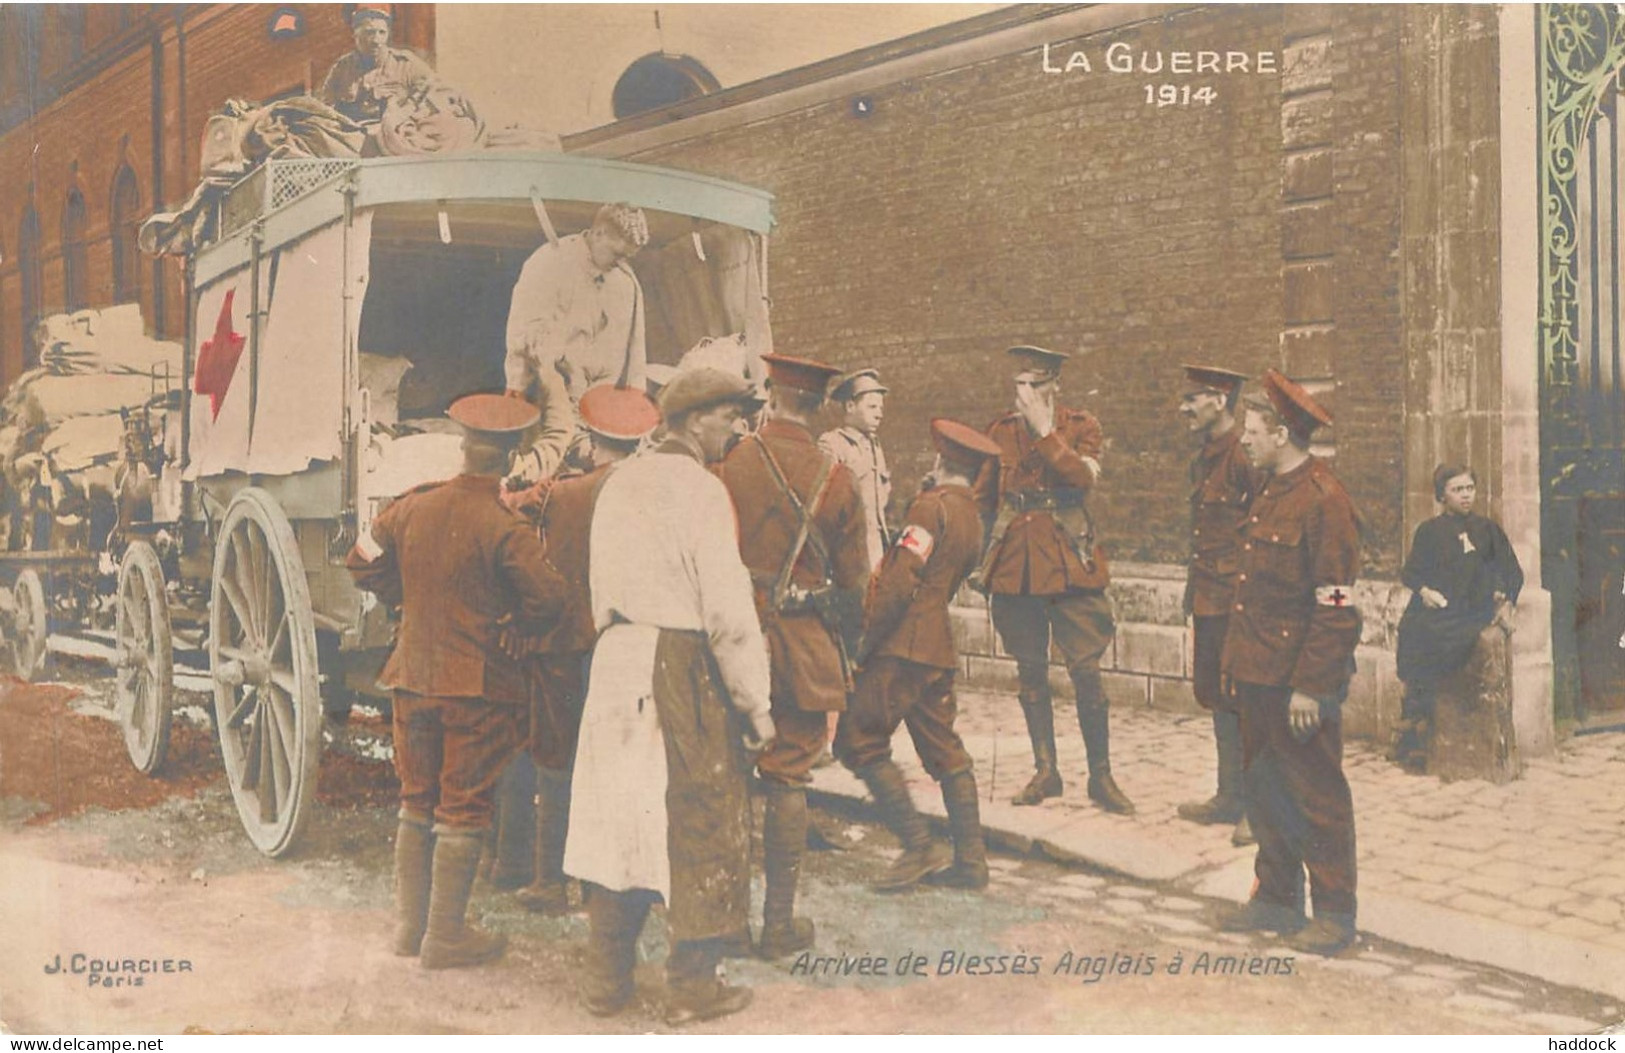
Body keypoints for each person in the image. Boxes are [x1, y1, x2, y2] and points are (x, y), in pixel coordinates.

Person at [563, 368, 773, 1025]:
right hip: (678, 661)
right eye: (726, 416)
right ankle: (691, 988)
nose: (736, 428)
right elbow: (728, 610)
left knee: (616, 815)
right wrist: (756, 703)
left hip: (617, 656)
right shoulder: (702, 490)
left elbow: (599, 580)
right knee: (702, 814)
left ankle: (606, 981)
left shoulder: (620, 481)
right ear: (689, 420)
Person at [346, 392, 567, 970]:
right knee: (463, 807)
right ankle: (445, 936)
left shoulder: (412, 506)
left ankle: (408, 929)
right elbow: (550, 601)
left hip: (410, 676)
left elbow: (360, 558)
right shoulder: (505, 527)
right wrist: (517, 622)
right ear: (511, 456)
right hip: (473, 688)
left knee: (416, 800)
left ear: (463, 449)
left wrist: (406, 599)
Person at [718, 353, 868, 959]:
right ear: (818, 407)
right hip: (804, 646)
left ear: (772, 397)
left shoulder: (734, 461)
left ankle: (723, 920)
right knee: (786, 777)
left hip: (735, 635)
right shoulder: (839, 476)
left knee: (727, 772)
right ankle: (778, 926)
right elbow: (856, 583)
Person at [500, 384, 663, 915]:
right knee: (619, 761)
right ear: (640, 443)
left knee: (553, 756)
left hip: (565, 642)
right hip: (629, 645)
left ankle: (549, 880)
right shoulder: (652, 493)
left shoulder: (563, 493)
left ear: (592, 441)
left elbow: (511, 514)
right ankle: (604, 884)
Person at [1217, 370, 1362, 957]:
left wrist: (1312, 687)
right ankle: (1275, 899)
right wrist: (1235, 662)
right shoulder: (1268, 489)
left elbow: (1336, 605)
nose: (1244, 442)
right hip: (1257, 673)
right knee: (1265, 789)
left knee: (1316, 794)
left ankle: (1333, 912)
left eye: (1252, 432)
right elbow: (1253, 589)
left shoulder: (1324, 500)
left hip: (1298, 682)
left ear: (1280, 433)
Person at [835, 418, 1002, 891]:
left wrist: (863, 644)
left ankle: (917, 845)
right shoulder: (973, 517)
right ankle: (971, 862)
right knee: (944, 750)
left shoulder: (929, 508)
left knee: (856, 739)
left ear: (939, 460)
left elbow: (899, 581)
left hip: (901, 648)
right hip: (937, 648)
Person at [973, 345, 1133, 813]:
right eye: (1019, 385)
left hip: (1067, 561)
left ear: (1054, 387)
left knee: (1086, 670)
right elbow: (983, 500)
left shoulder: (1081, 428)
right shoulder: (999, 432)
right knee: (1029, 671)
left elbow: (1081, 482)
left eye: (1035, 386)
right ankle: (1047, 771)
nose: (1025, 395)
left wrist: (1045, 433)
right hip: (1015, 563)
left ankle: (1100, 777)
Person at [1175, 364, 1262, 847]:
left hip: (1238, 600)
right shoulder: (1204, 458)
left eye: (1192, 399)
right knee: (1215, 692)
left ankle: (1256, 803)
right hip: (1209, 594)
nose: (1183, 409)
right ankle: (1229, 794)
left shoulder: (1244, 458)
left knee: (1246, 697)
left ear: (1219, 400)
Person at [1392, 465, 1524, 772]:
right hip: (1438, 606)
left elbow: (1512, 571)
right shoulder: (1429, 531)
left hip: (1471, 610)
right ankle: (1415, 715)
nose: (1465, 496)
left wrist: (1505, 601)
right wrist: (1424, 591)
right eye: (1457, 490)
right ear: (1442, 495)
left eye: (1469, 488)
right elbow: (1411, 572)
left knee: (1458, 636)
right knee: (1414, 631)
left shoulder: (1488, 530)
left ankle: (1425, 716)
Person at [505, 204, 650, 408]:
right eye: (617, 254)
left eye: (627, 257)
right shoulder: (550, 261)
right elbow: (524, 336)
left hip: (597, 405)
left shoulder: (626, 282)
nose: (620, 263)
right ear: (599, 234)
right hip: (544, 397)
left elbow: (633, 354)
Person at [819, 368, 893, 572]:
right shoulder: (832, 444)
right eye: (872, 407)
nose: (879, 414)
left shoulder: (875, 446)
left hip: (878, 549)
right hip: (848, 553)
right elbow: (825, 506)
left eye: (880, 407)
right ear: (850, 406)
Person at [317, 7, 435, 126]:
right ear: (355, 35)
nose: (376, 40)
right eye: (369, 33)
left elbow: (435, 90)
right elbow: (327, 105)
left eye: (382, 32)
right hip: (353, 132)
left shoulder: (405, 64)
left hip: (395, 132)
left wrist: (409, 113)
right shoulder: (342, 68)